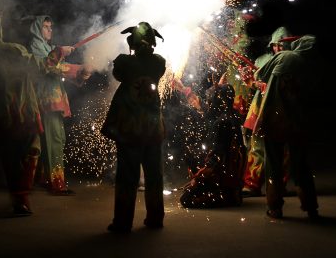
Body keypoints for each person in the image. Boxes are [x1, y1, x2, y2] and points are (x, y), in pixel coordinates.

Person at [0, 11, 68, 215]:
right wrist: (58, 52)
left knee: (25, 153)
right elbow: (42, 65)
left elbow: (42, 65)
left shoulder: (4, 49)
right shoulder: (12, 50)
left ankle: (21, 197)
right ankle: (21, 198)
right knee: (22, 153)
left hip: (21, 110)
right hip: (17, 112)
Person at [101, 22, 166, 233]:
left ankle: (122, 222)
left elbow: (118, 75)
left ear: (132, 42)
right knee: (154, 174)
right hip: (153, 128)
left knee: (127, 176)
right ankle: (155, 217)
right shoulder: (159, 62)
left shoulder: (125, 63)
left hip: (130, 128)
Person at [251, 35, 320, 219]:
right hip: (298, 122)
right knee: (301, 165)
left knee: (273, 164)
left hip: (275, 119)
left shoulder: (285, 56)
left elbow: (259, 75)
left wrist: (253, 77)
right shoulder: (311, 65)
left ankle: (274, 207)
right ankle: (311, 207)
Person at [29, 15, 91, 196]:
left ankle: (40, 179)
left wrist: (80, 71)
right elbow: (48, 66)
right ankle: (56, 184)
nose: (50, 30)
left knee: (50, 141)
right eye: (45, 27)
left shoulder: (47, 47)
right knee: (54, 141)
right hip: (47, 100)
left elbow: (60, 67)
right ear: (37, 29)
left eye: (50, 27)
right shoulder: (35, 46)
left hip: (52, 100)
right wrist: (61, 51)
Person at [179, 84, 247, 208]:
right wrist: (185, 90)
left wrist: (198, 178)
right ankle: (230, 193)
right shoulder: (235, 115)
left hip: (223, 176)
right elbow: (206, 111)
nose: (208, 102)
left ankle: (225, 197)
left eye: (210, 99)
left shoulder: (221, 122)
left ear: (217, 100)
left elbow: (216, 159)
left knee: (186, 199)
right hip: (234, 176)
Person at [242, 26, 291, 197]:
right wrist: (250, 81)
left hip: (283, 110)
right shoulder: (262, 60)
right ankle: (252, 184)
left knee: (284, 151)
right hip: (260, 108)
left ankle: (279, 185)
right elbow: (253, 85)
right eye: (276, 44)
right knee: (256, 148)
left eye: (282, 44)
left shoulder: (292, 61)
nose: (278, 48)